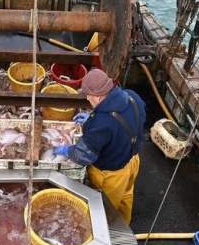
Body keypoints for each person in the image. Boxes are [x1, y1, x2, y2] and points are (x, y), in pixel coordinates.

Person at [53, 68, 146, 223]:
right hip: (133, 161)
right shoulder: (131, 96)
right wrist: (91, 117)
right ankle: (125, 221)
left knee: (104, 208)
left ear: (97, 96)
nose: (88, 99)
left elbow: (83, 156)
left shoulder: (101, 124)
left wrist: (67, 150)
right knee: (126, 194)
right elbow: (135, 118)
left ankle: (109, 232)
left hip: (112, 175)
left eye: (88, 96)